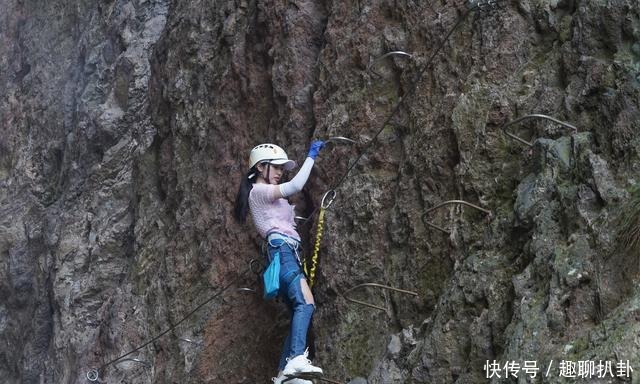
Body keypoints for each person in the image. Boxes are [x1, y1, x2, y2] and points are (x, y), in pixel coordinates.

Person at [234, 141, 325, 384]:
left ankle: (285, 375)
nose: (279, 172)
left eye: (281, 169)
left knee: (301, 306)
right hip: (283, 252)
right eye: (275, 168)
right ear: (260, 167)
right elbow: (296, 185)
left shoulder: (265, 196)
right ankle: (295, 359)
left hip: (286, 254)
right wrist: (311, 157)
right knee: (306, 304)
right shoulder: (259, 191)